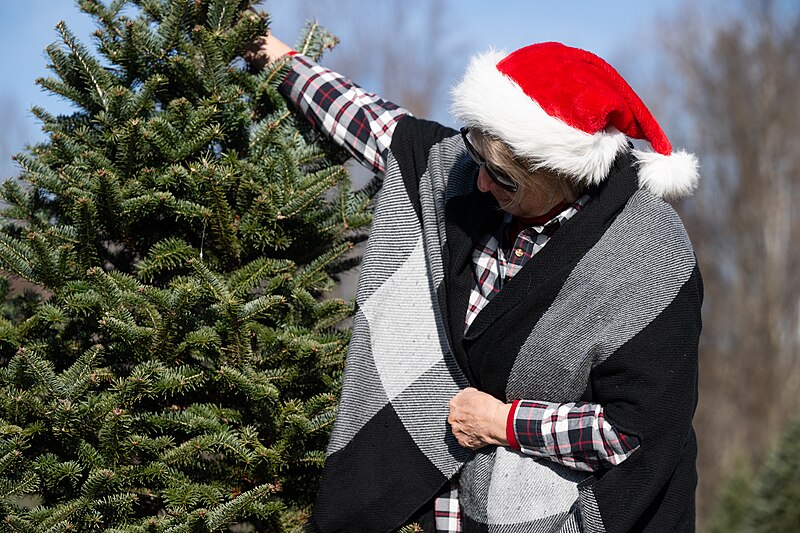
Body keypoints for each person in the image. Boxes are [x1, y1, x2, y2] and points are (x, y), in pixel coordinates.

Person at [245, 32, 702, 533]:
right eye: (477, 158)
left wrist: (504, 423)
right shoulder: (469, 174)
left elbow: (633, 432)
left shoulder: (647, 255)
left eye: (503, 176)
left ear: (564, 172)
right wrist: (273, 56)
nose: (481, 183)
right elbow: (377, 127)